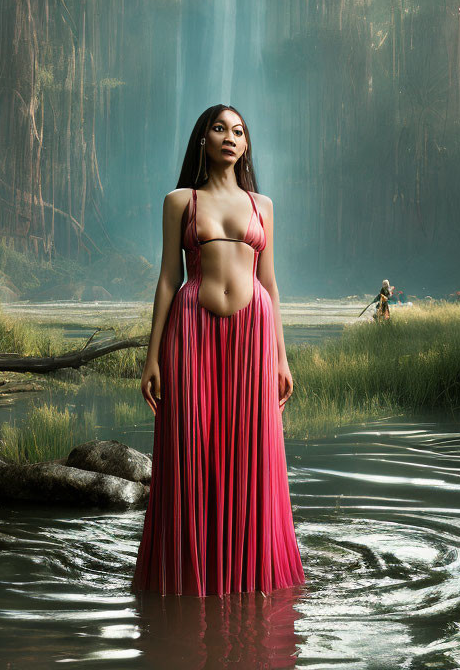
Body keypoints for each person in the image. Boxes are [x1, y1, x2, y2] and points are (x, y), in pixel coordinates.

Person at [132, 104, 306, 596]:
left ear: (245, 145)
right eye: (218, 128)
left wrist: (281, 357)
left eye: (238, 131)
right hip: (190, 332)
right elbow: (169, 278)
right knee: (191, 450)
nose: (229, 137)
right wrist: (151, 358)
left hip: (254, 335)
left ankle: (248, 575)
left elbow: (269, 284)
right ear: (202, 139)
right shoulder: (179, 201)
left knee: (252, 451)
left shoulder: (262, 205)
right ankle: (191, 575)